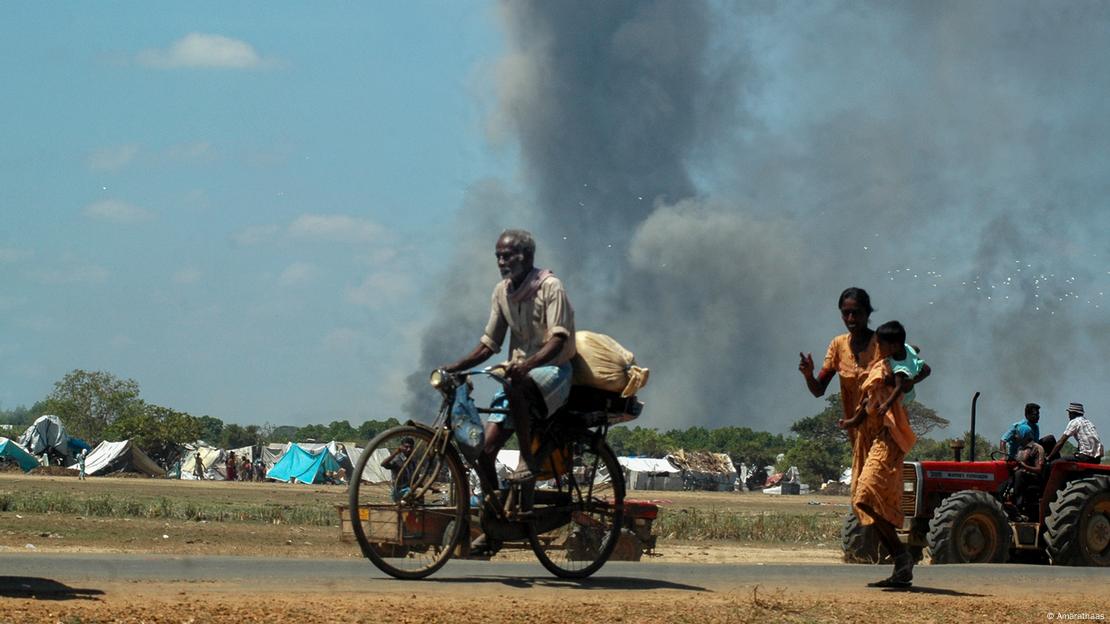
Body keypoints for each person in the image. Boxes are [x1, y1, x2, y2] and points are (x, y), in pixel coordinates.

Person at [440, 229, 576, 489]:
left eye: (507, 257)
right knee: (484, 453)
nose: (501, 263)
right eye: (498, 257)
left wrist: (527, 365)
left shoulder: (550, 286)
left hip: (553, 371)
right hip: (517, 376)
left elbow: (558, 340)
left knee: (514, 383)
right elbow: (489, 344)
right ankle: (496, 513)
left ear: (526, 256)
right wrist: (453, 368)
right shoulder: (502, 292)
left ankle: (527, 459)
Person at [841, 320, 924, 589]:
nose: (877, 348)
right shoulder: (885, 364)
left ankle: (902, 558)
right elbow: (869, 402)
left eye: (881, 344)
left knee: (865, 496)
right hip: (874, 436)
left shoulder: (894, 369)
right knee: (863, 501)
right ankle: (902, 561)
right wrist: (853, 422)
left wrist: (909, 383)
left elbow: (911, 377)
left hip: (889, 437)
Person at [799, 287, 884, 496]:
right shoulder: (838, 346)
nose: (851, 318)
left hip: (884, 430)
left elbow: (914, 370)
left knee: (875, 489)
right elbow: (819, 390)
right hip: (856, 434)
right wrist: (808, 375)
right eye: (846, 313)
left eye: (856, 312)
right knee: (861, 491)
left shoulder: (883, 344)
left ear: (868, 313)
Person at [1010, 425, 1045, 518]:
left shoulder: (1037, 448)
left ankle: (1018, 506)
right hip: (1022, 475)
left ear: (1024, 434)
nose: (1016, 437)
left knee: (1019, 474)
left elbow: (1039, 469)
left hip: (1035, 478)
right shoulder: (1020, 448)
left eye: (1017, 434)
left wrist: (1023, 466)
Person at [381, 437, 416, 501]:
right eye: (406, 447)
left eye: (411, 447)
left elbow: (416, 479)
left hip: (408, 489)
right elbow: (383, 464)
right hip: (398, 490)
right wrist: (396, 452)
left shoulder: (413, 462)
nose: (408, 449)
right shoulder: (397, 460)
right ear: (401, 447)